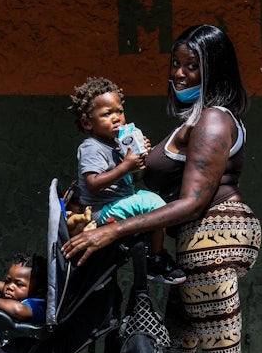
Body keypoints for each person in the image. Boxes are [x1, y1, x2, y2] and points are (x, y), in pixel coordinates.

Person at [61, 25, 262, 353]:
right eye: (175, 63)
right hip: (191, 245)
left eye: (192, 65)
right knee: (181, 348)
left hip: (215, 237)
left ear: (215, 68)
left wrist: (113, 230)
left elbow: (193, 200)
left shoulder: (215, 120)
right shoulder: (190, 121)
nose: (179, 72)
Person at [67, 76, 186, 285]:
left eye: (119, 111)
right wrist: (125, 166)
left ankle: (154, 252)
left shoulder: (119, 143)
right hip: (101, 210)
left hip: (120, 201)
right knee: (154, 205)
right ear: (88, 123)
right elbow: (93, 184)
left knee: (156, 203)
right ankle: (155, 258)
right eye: (106, 114)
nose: (116, 118)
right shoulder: (91, 147)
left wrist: (141, 157)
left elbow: (133, 177)